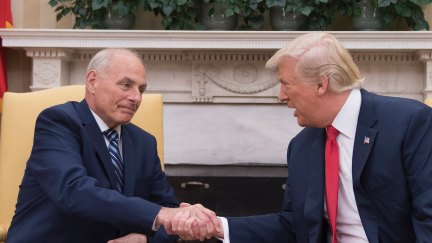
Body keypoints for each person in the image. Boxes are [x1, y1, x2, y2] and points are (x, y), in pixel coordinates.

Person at [166, 32, 432, 242]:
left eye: (286, 83)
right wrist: (218, 227)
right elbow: (293, 227)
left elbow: (428, 215)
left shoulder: (409, 123)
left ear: (321, 83)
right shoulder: (303, 145)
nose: (281, 95)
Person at [6, 48, 220, 243]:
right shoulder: (58, 122)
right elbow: (74, 191)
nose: (136, 97)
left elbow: (169, 209)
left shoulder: (144, 142)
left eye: (141, 89)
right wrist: (159, 214)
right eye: (126, 85)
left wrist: (145, 238)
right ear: (92, 81)